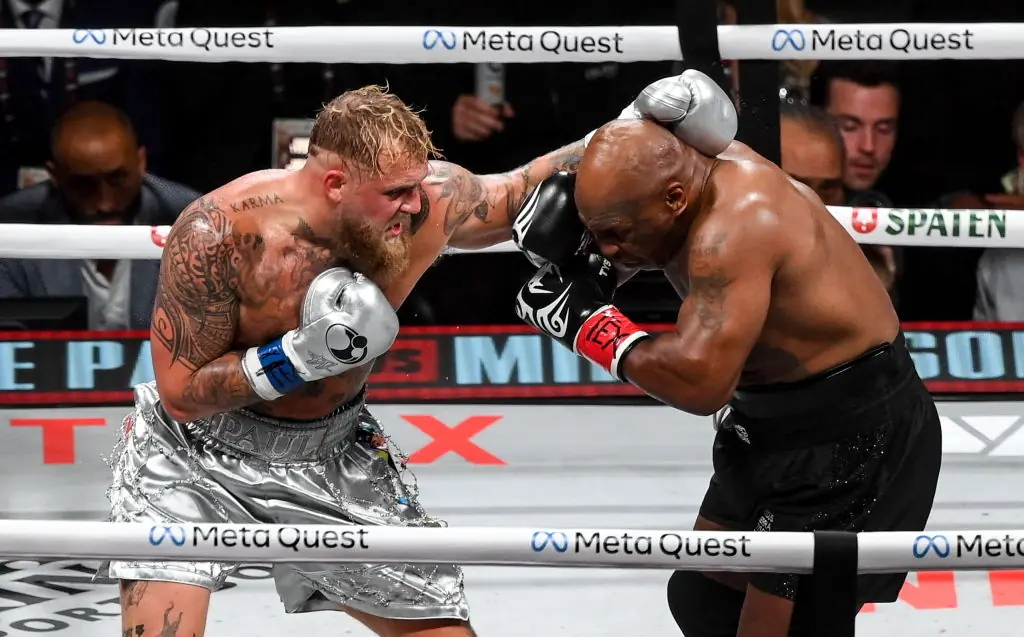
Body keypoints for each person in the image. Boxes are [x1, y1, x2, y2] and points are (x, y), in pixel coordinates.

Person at [94, 75, 727, 637]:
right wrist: (297, 357)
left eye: (418, 182)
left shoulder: (430, 200)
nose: (415, 204)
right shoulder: (221, 231)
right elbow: (180, 392)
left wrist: (633, 127)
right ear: (337, 183)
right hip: (193, 458)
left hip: (330, 452)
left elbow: (521, 190)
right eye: (396, 192)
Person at [511, 81, 942, 636]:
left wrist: (585, 322)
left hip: (850, 436)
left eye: (616, 236)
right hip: (771, 421)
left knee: (787, 627)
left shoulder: (736, 227)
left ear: (674, 199)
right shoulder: (671, 167)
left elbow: (699, 383)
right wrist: (594, 254)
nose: (608, 252)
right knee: (705, 597)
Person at [0, 101, 197, 329]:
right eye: (83, 185)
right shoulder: (11, 225)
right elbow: (8, 340)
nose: (105, 203)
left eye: (118, 179)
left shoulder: (193, 219)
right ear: (54, 175)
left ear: (141, 162)